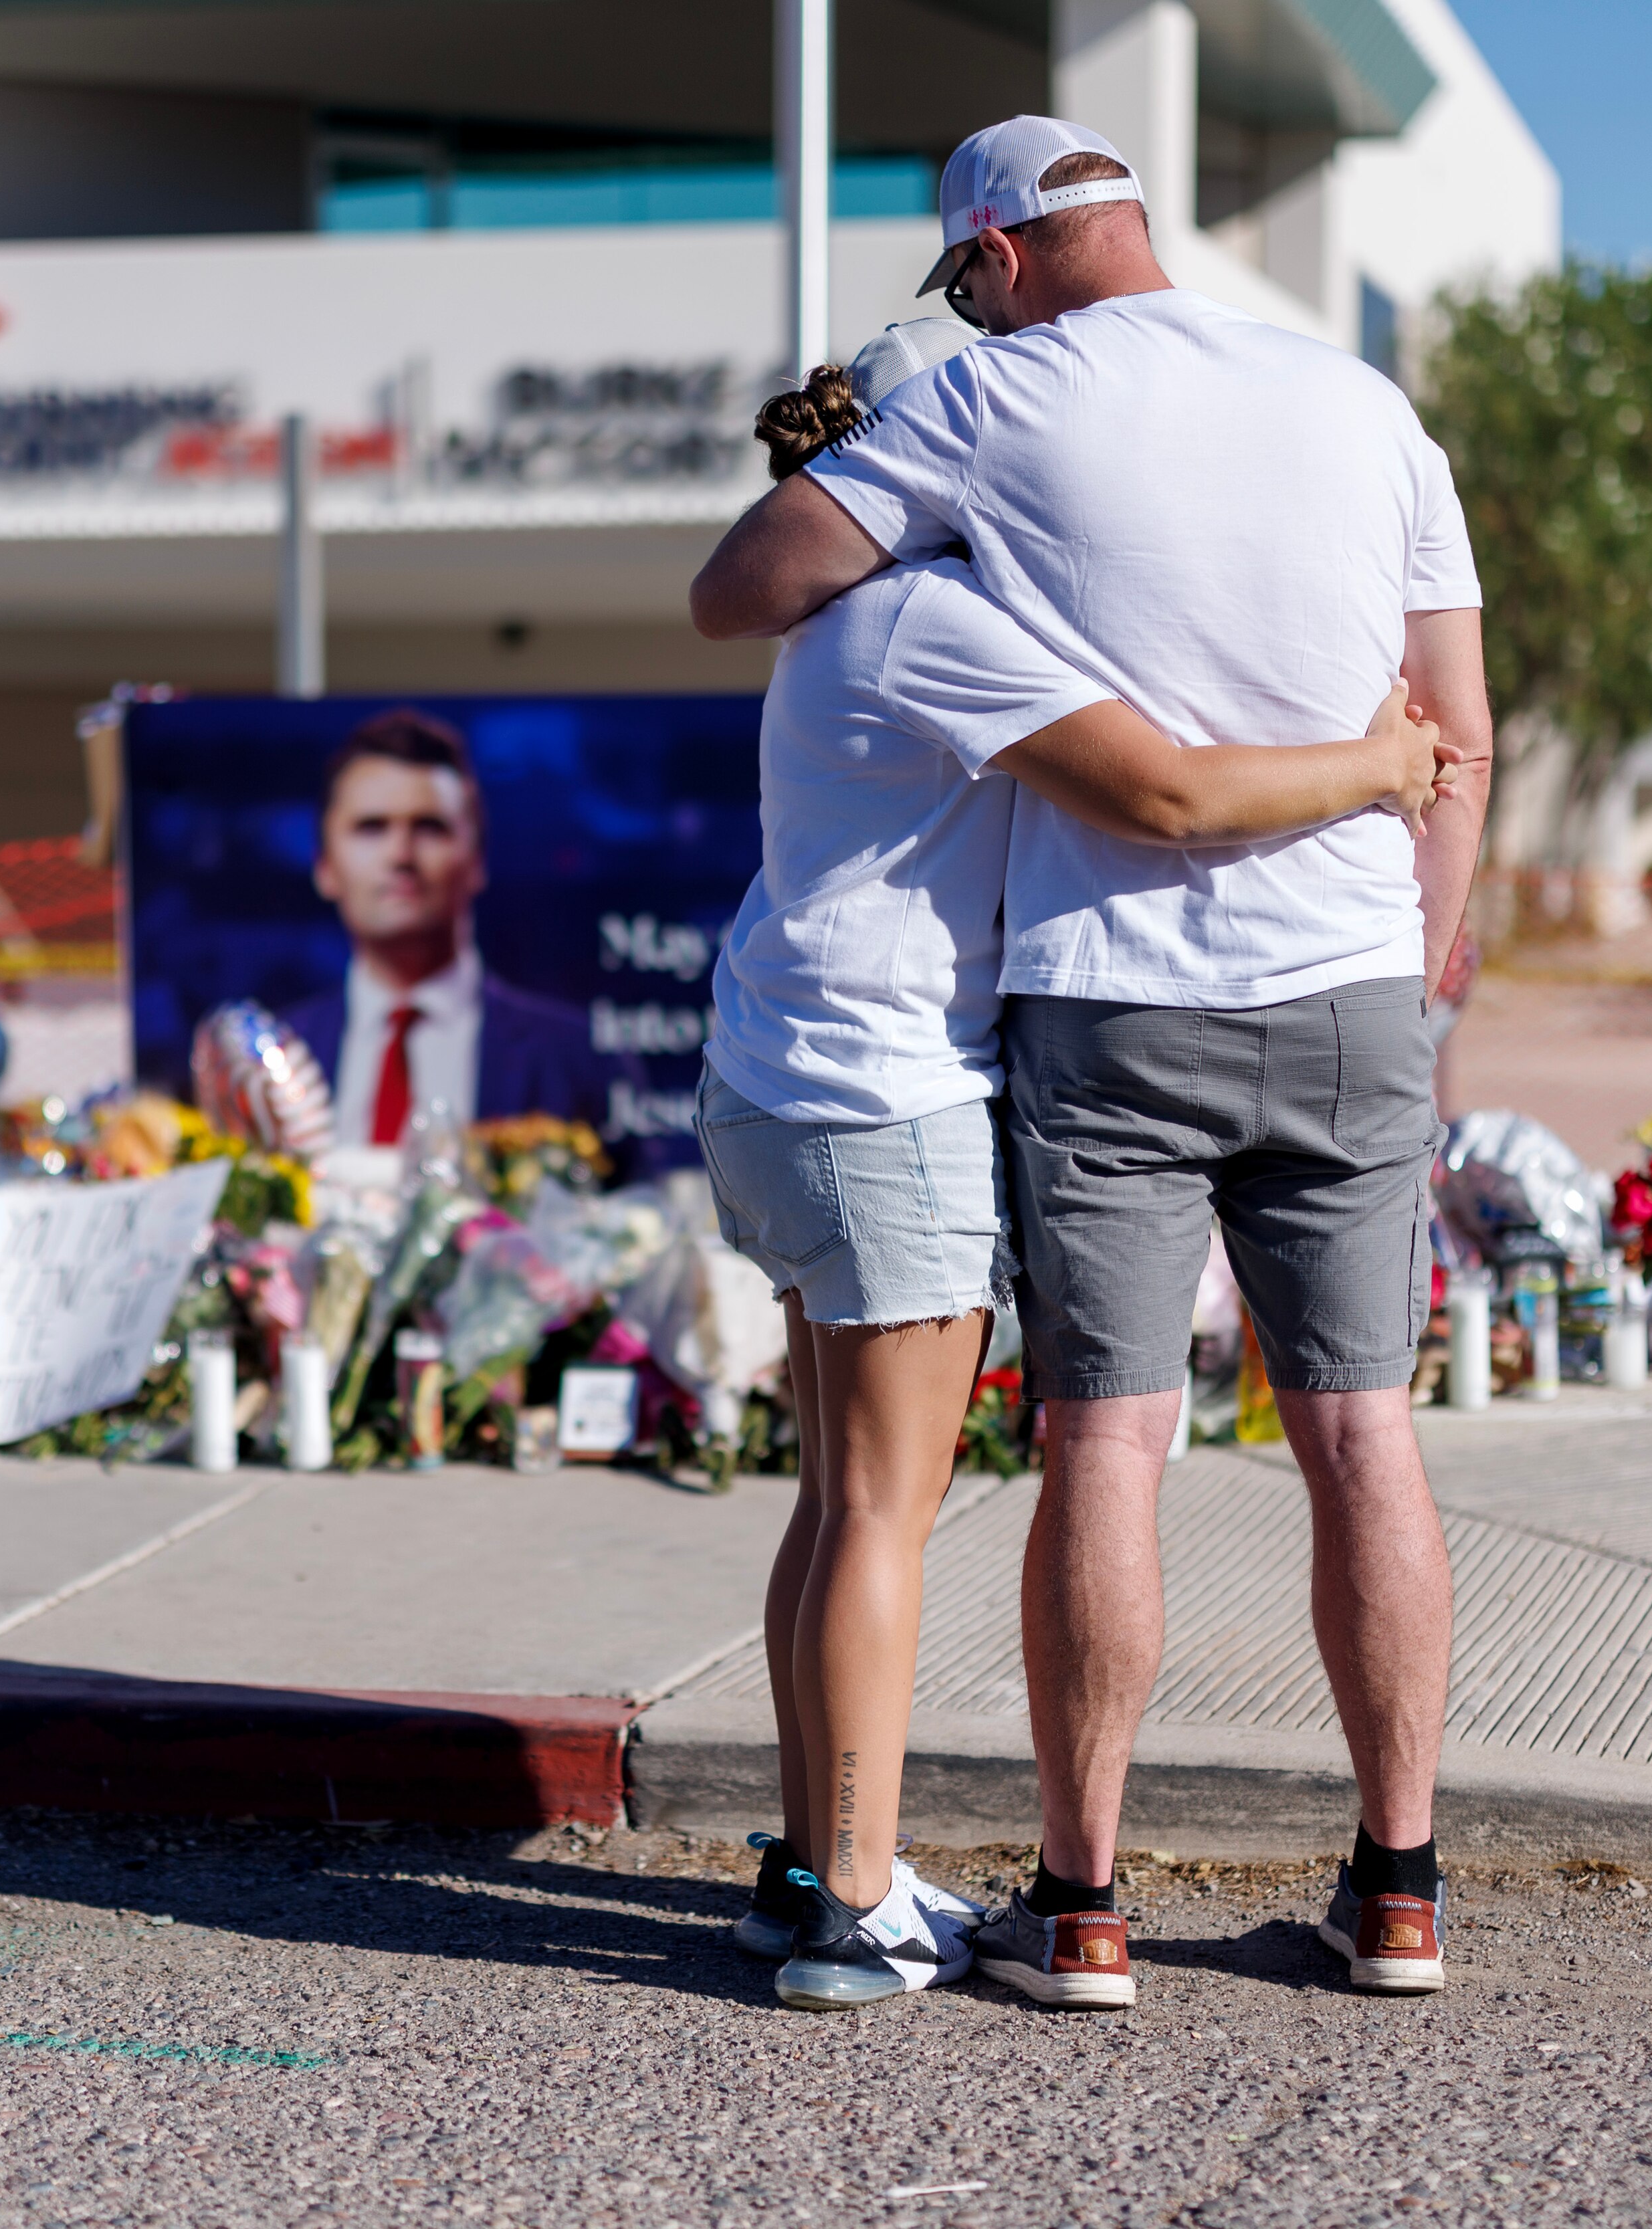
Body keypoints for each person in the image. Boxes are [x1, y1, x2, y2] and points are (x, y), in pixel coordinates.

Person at [692, 115, 1498, 2008]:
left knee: (1103, 1441)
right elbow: (1456, 728)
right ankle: (1398, 1884)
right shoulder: (1366, 402)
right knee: (1368, 1435)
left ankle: (1079, 1903)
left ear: (993, 262)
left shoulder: (992, 402)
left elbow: (745, 586)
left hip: (1108, 996)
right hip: (1355, 985)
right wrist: (1411, 951)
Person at [282, 708, 643, 1150]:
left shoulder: (580, 1057)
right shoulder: (276, 1060)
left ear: (476, 861)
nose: (401, 855)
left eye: (429, 827)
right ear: (324, 867)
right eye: (371, 827)